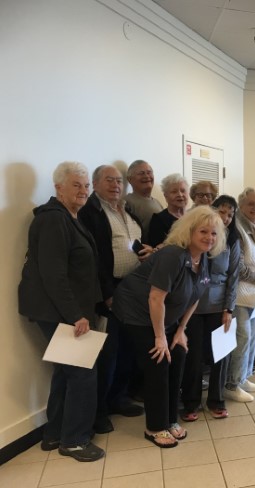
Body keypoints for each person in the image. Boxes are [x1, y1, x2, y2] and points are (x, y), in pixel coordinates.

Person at [112, 206, 220, 448]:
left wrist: (180, 331)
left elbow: (195, 297)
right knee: (159, 360)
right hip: (137, 312)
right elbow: (155, 298)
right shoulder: (173, 255)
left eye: (213, 233)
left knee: (179, 353)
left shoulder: (203, 258)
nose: (209, 238)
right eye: (203, 231)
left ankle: (171, 419)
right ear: (189, 231)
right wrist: (160, 337)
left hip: (167, 316)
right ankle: (155, 426)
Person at [18, 162, 105, 462]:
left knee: (66, 371)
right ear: (59, 188)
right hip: (59, 310)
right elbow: (53, 274)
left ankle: (54, 432)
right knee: (83, 373)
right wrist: (75, 315)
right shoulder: (54, 219)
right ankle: (75, 441)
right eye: (76, 185)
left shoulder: (69, 217)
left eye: (86, 186)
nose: (83, 191)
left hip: (64, 308)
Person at [78, 165, 148, 434]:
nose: (116, 185)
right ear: (95, 184)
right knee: (108, 353)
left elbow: (134, 244)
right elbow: (93, 260)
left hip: (133, 291)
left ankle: (119, 398)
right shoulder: (90, 213)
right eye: (109, 180)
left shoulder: (128, 211)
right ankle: (99, 410)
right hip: (110, 292)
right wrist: (107, 294)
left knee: (128, 350)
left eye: (119, 181)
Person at [181, 195, 240, 421]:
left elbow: (233, 277)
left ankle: (216, 400)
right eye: (222, 212)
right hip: (192, 308)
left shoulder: (232, 242)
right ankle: (191, 403)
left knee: (221, 356)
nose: (225, 218)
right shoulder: (199, 236)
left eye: (230, 214)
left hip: (220, 306)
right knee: (193, 357)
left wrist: (229, 309)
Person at [225, 188, 255, 402]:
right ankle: (231, 384)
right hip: (239, 294)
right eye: (252, 204)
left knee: (253, 336)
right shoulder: (236, 227)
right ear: (241, 206)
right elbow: (238, 267)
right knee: (242, 336)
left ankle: (243, 376)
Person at [124, 160, 164, 241]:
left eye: (149, 172)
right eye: (141, 173)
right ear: (129, 179)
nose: (146, 176)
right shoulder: (126, 202)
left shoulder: (157, 202)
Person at [149, 173, 189, 247]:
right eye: (174, 192)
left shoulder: (194, 217)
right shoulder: (158, 219)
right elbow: (156, 249)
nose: (180, 195)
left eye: (183, 191)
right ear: (166, 196)